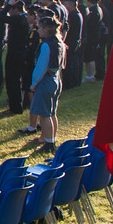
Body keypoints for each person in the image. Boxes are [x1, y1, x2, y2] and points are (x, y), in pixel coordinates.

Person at [28, 15, 64, 156]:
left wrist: (34, 83)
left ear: (46, 29)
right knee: (52, 112)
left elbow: (41, 66)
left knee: (44, 114)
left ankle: (49, 143)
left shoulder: (46, 45)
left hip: (46, 80)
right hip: (56, 78)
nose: (38, 31)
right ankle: (52, 138)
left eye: (40, 28)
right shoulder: (59, 42)